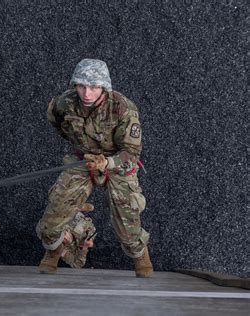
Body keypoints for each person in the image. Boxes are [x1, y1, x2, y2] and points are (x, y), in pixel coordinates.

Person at [38, 59, 153, 277]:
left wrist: (107, 162)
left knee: (128, 223)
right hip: (83, 160)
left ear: (103, 87)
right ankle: (53, 252)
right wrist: (80, 148)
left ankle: (140, 256)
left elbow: (131, 152)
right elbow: (56, 120)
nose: (86, 93)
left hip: (117, 163)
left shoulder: (122, 108)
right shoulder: (65, 103)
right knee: (53, 217)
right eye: (81, 86)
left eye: (93, 87)